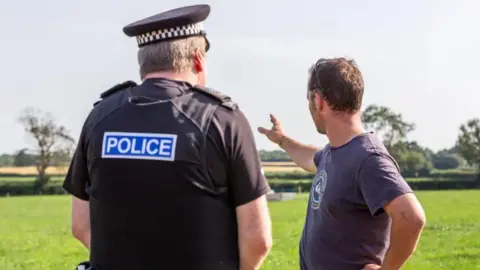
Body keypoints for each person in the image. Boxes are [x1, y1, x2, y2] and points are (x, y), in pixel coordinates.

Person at [63, 5, 272, 270]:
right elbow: (258, 240)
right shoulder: (222, 121)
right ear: (198, 59)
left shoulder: (99, 117)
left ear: (143, 65)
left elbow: (81, 226)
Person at [258, 57, 426, 270]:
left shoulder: (368, 159)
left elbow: (412, 218)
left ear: (318, 100)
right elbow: (311, 158)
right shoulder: (335, 152)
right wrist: (282, 140)